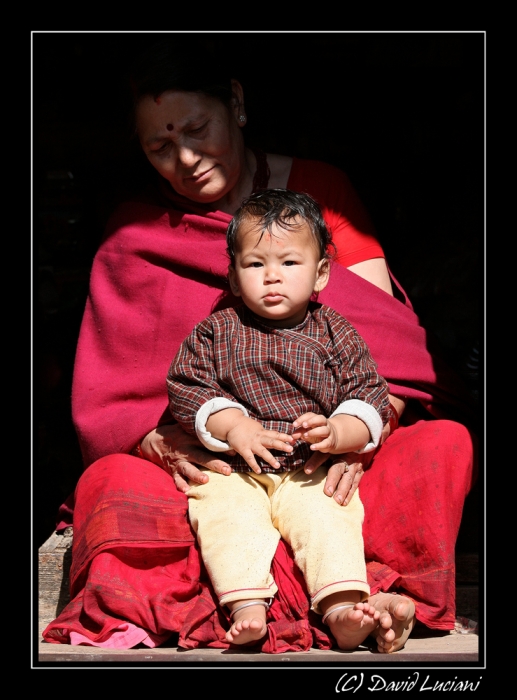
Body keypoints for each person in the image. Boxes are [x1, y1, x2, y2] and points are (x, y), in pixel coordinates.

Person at [42, 37, 478, 654]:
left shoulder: (321, 194)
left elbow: (392, 352)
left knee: (442, 445)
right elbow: (113, 397)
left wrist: (358, 438)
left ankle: (366, 597)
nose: (186, 158)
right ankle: (289, 602)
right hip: (212, 471)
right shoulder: (135, 241)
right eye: (160, 146)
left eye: (197, 128)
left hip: (328, 463)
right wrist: (153, 439)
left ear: (237, 104)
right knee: (110, 481)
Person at [167, 188, 398, 650]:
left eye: (289, 263)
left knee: (329, 518)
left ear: (321, 273)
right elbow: (188, 387)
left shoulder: (336, 332)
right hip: (237, 468)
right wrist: (233, 425)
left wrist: (337, 431)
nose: (272, 277)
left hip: (309, 467)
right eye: (255, 265)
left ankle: (343, 608)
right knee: (223, 514)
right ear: (233, 276)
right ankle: (247, 605)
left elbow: (369, 396)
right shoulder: (217, 330)